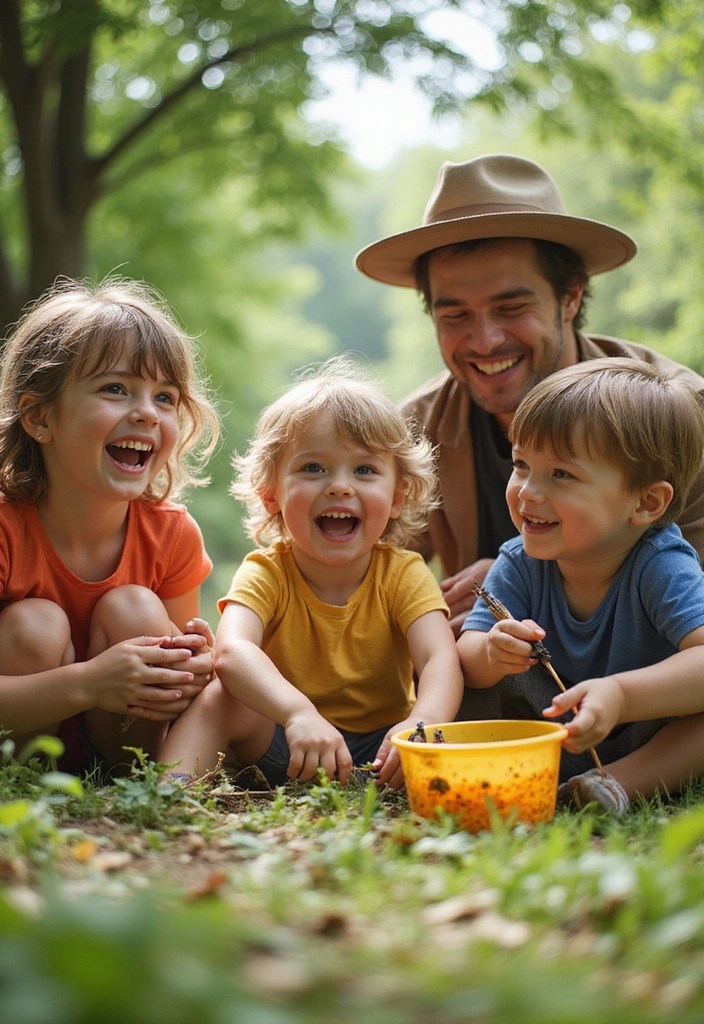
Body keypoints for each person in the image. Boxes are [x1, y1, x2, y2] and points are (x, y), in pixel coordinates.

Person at [355, 153, 704, 639]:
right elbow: (344, 576)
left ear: (570, 298)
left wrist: (513, 580)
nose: (483, 340)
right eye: (454, 315)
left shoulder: (684, 419)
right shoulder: (411, 434)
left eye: (511, 306)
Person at [160, 357, 463, 789]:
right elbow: (232, 652)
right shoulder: (267, 571)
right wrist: (297, 713)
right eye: (313, 468)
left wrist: (423, 722)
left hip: (385, 752)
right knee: (222, 697)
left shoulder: (403, 573)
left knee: (458, 699)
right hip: (287, 743)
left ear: (397, 496)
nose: (340, 485)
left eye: (364, 470)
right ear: (270, 494)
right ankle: (170, 788)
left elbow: (438, 656)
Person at [456, 358, 704, 813]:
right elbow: (469, 661)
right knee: (464, 690)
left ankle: (618, 784)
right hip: (551, 726)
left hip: (648, 729)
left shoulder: (659, 564)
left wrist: (623, 695)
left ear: (646, 502)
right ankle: (530, 770)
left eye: (562, 474)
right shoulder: (520, 560)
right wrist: (491, 651)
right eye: (522, 464)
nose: (528, 491)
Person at [0, 276, 221, 775]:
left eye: (164, 397)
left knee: (137, 610)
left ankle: (124, 777)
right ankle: (30, 779)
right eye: (115, 389)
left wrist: (190, 669)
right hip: (18, 752)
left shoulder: (172, 535)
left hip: (122, 758)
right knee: (33, 624)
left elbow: (183, 682)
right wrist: (90, 683)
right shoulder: (6, 529)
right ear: (40, 419)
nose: (146, 412)